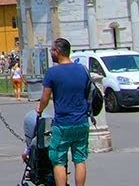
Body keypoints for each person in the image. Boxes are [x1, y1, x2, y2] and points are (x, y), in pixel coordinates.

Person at [35, 38, 90, 186]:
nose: (51, 53)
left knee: (58, 160)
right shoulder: (82, 70)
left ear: (58, 52)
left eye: (52, 50)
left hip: (63, 123)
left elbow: (45, 98)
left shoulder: (52, 73)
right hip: (82, 121)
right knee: (80, 159)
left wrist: (39, 109)